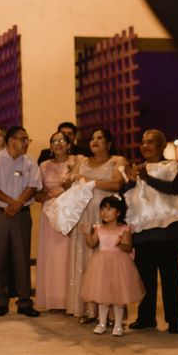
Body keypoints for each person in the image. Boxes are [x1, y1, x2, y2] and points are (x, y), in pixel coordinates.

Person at [123, 130, 178, 334]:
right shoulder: (138, 169)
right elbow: (126, 197)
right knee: (145, 279)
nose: (145, 146)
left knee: (169, 278)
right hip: (142, 232)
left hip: (167, 232)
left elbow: (177, 189)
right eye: (143, 142)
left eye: (150, 142)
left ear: (161, 146)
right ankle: (146, 317)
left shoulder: (173, 166)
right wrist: (131, 181)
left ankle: (174, 320)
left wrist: (147, 178)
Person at [65, 128, 126, 322]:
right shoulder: (81, 161)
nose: (95, 141)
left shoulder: (117, 160)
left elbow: (117, 184)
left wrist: (87, 181)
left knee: (107, 264)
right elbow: (69, 184)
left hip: (106, 216)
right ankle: (88, 310)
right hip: (84, 215)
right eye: (92, 138)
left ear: (109, 143)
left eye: (100, 138)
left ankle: (109, 313)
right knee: (85, 261)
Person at [0, 125, 42, 318]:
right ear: (10, 140)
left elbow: (33, 187)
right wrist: (11, 203)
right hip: (0, 214)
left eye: (27, 139)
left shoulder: (30, 162)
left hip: (22, 215)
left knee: (22, 258)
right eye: (22, 139)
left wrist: (18, 204)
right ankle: (0, 301)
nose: (26, 143)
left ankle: (24, 301)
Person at [80, 195, 145, 336]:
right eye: (102, 209)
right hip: (101, 264)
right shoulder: (99, 228)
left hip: (119, 264)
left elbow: (129, 247)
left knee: (118, 297)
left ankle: (118, 325)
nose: (104, 212)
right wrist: (86, 234)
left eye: (109, 209)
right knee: (102, 296)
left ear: (118, 212)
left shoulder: (124, 229)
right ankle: (102, 323)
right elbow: (92, 244)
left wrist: (120, 244)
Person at [35, 131, 76, 311]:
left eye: (62, 140)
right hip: (50, 215)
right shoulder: (43, 166)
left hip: (71, 214)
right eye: (54, 141)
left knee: (70, 256)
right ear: (50, 146)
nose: (58, 143)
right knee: (52, 258)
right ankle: (54, 299)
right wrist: (50, 194)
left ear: (69, 144)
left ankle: (71, 300)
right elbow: (36, 193)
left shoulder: (78, 161)